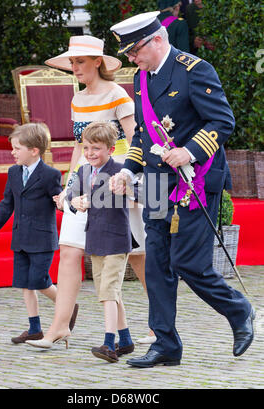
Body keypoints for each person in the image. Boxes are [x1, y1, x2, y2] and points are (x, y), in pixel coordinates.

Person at [109, 11, 255, 368]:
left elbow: (222, 121)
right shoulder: (141, 79)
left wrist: (188, 150)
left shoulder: (195, 70)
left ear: (157, 40)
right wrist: (129, 170)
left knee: (187, 262)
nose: (131, 59)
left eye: (134, 51)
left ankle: (239, 310)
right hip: (158, 181)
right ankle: (165, 344)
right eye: (128, 54)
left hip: (196, 178)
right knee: (157, 263)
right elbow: (143, 134)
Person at [26, 35, 153, 349]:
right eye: (71, 62)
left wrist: (130, 179)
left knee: (138, 257)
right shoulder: (77, 99)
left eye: (79, 61)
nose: (74, 67)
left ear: (98, 62)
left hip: (118, 179)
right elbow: (77, 147)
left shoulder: (118, 94)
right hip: (84, 180)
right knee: (68, 250)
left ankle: (158, 323)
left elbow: (135, 139)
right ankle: (59, 327)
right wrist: (68, 187)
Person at [0, 123, 64, 345]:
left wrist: (64, 203)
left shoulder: (50, 175)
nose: (13, 152)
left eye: (17, 148)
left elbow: (59, 201)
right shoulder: (13, 172)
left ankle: (66, 307)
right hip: (21, 238)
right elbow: (7, 204)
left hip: (43, 239)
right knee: (25, 283)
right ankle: (34, 328)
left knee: (38, 280)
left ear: (34, 150)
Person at [66, 121, 135, 363]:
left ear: (111, 149)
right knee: (109, 292)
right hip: (95, 238)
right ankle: (125, 339)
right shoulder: (84, 171)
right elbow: (72, 196)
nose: (89, 153)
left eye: (95, 148)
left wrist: (124, 190)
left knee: (108, 292)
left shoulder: (120, 171)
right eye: (86, 148)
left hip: (116, 240)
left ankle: (109, 343)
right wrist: (75, 202)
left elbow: (130, 193)